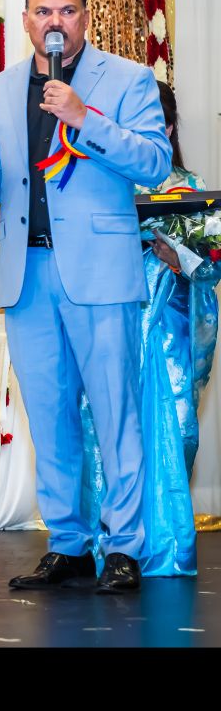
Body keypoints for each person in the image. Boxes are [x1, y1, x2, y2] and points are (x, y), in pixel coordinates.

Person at [0, 0, 171, 594]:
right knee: (48, 418)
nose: (55, 22)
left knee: (115, 414)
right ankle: (69, 544)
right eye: (43, 12)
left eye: (67, 11)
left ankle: (125, 547)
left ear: (84, 17)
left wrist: (85, 118)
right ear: (26, 21)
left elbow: (155, 163)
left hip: (100, 272)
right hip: (29, 273)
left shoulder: (128, 79)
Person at [78, 80, 216, 577]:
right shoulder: (106, 182)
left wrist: (176, 254)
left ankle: (166, 543)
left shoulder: (191, 185)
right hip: (112, 322)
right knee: (107, 428)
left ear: (170, 128)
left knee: (175, 426)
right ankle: (110, 545)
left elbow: (210, 265)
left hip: (169, 328)